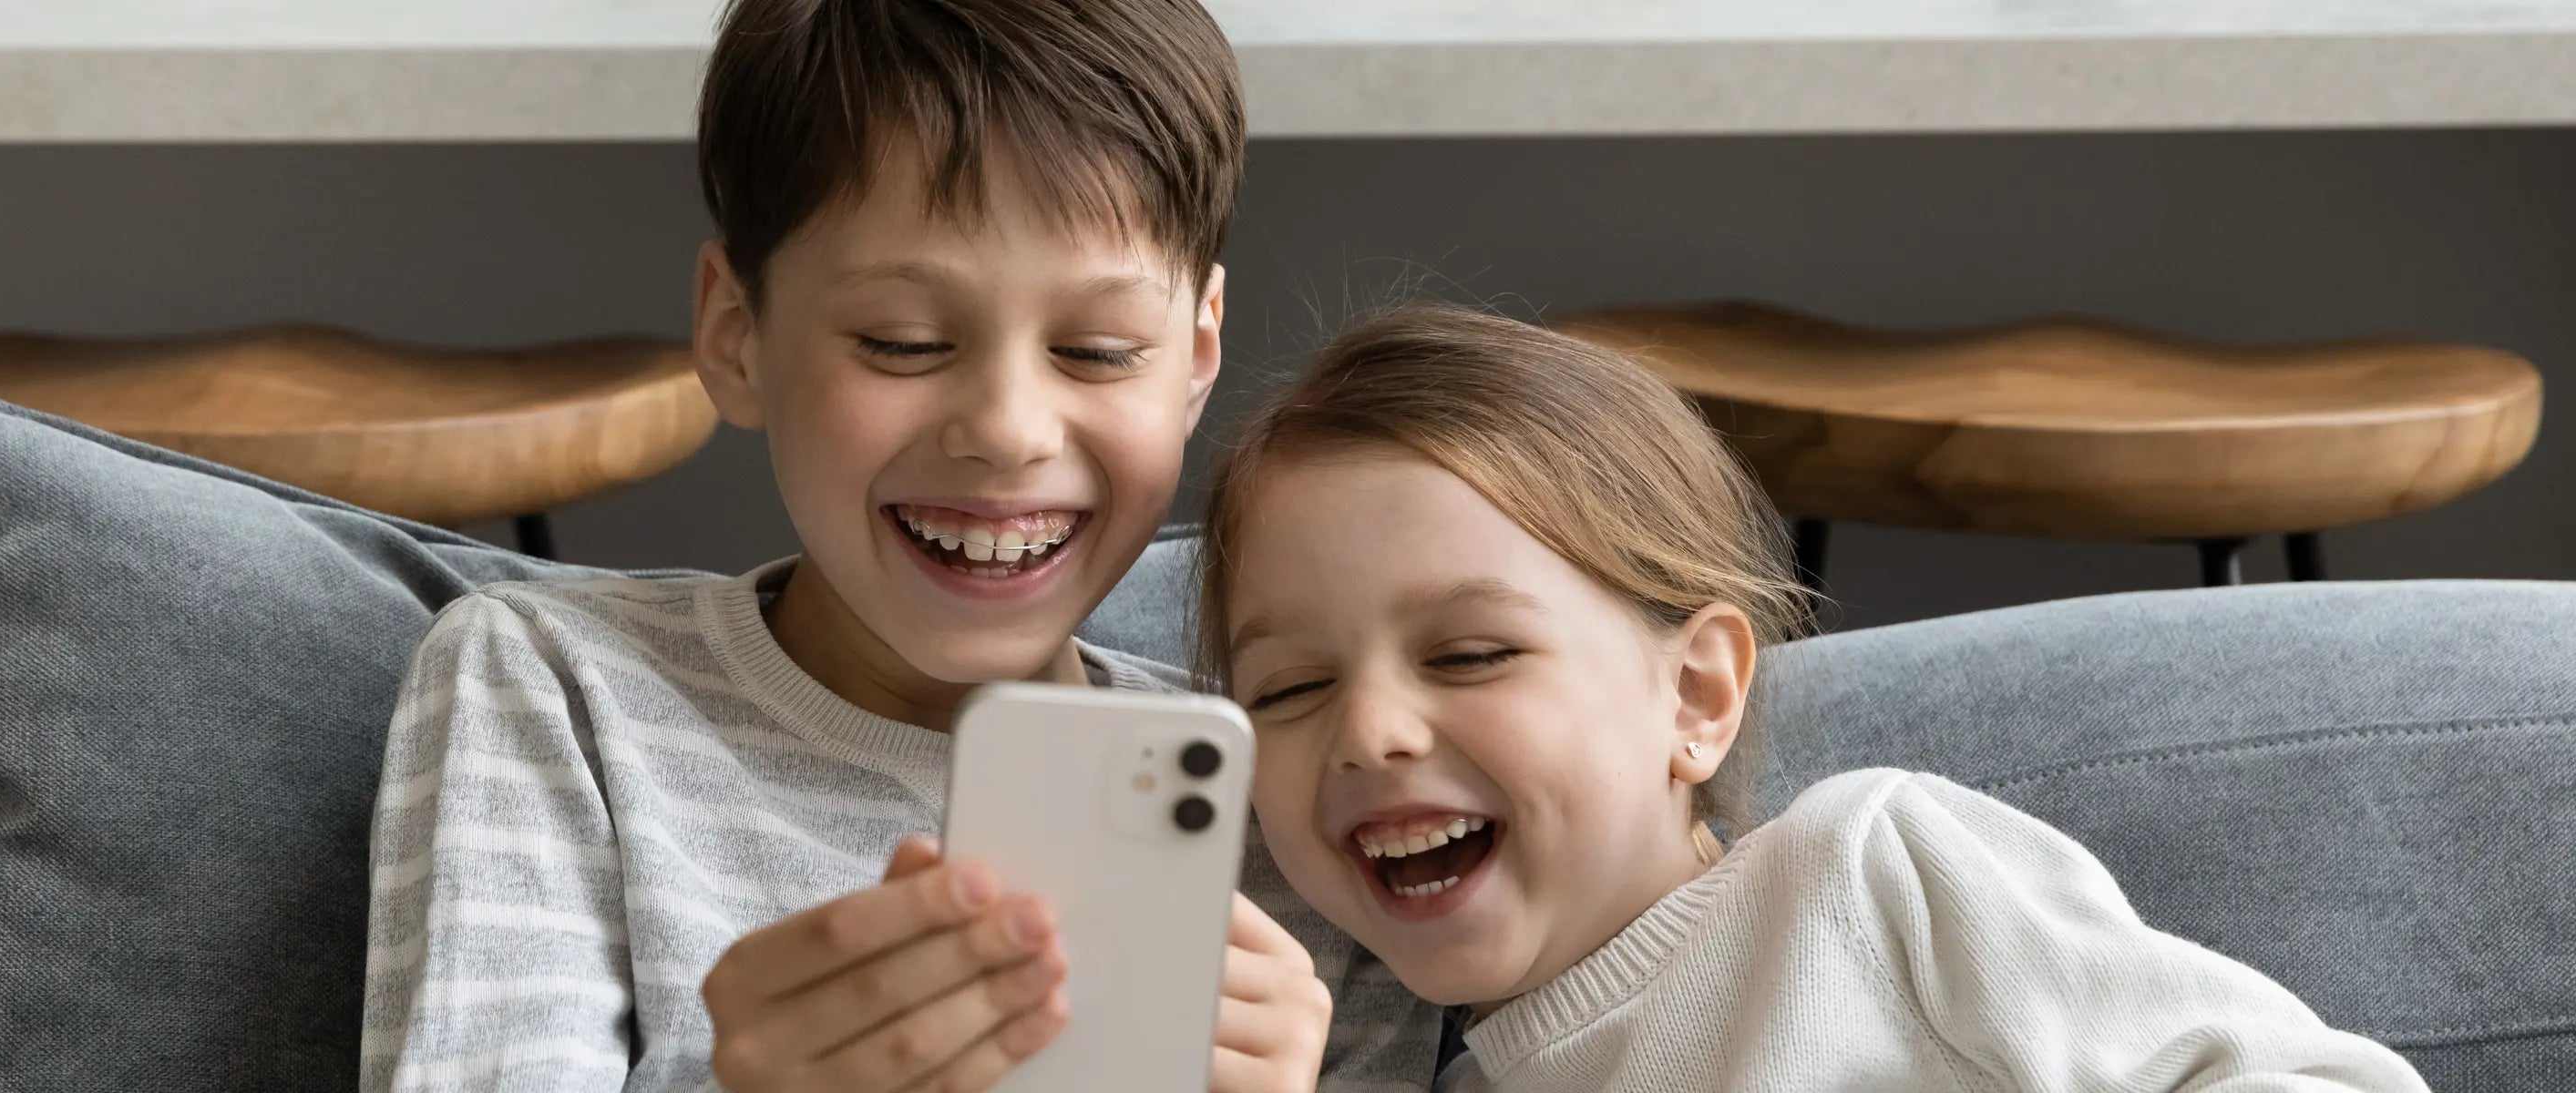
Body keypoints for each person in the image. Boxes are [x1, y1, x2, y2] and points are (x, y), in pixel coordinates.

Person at [357, 1, 1441, 1090]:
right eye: (903, 342)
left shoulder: (1306, 791)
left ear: (1194, 356)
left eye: (1096, 350)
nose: (1008, 430)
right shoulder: (556, 693)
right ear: (737, 335)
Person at [1196, 301, 2428, 1092]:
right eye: (1292, 686)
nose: (1367, 734)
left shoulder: (1870, 876)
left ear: (1695, 695)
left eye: (1469, 656)